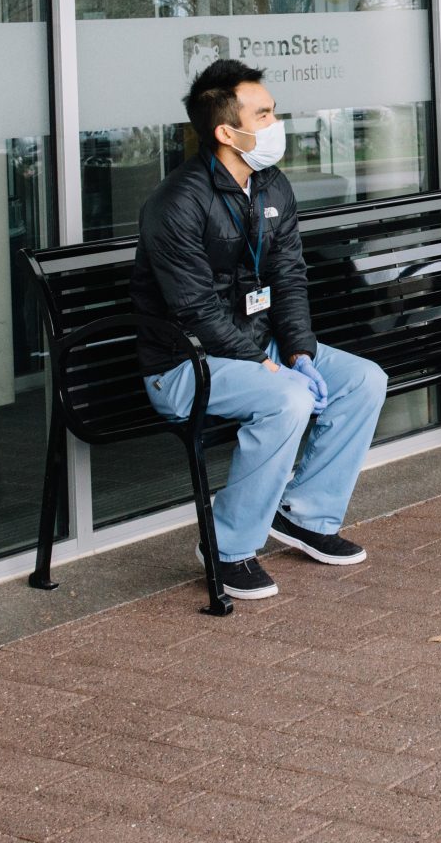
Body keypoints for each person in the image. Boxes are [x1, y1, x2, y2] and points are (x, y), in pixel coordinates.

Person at [133, 59, 388, 600]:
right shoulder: (177, 202)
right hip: (184, 362)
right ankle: (225, 547)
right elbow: (195, 309)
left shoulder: (270, 184)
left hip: (257, 346)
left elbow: (288, 274)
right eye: (265, 113)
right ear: (227, 131)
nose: (277, 124)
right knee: (287, 402)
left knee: (364, 380)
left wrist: (296, 351)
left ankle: (304, 514)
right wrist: (268, 366)